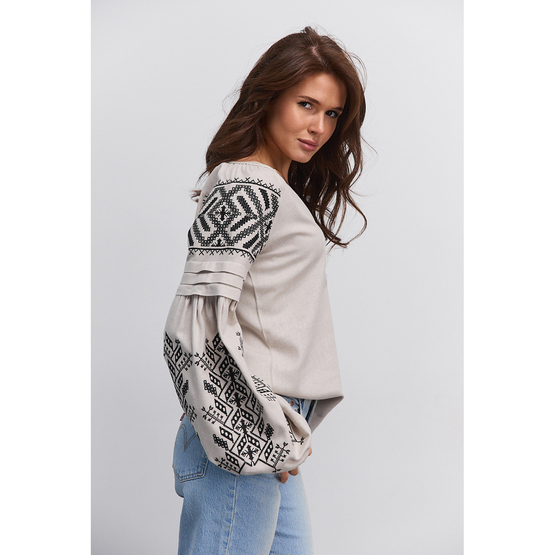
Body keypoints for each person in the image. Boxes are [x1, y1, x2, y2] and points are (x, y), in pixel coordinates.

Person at [163, 26, 367, 555]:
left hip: (269, 431)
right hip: (244, 432)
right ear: (268, 96)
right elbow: (191, 325)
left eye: (332, 113)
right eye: (306, 104)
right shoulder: (248, 186)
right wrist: (249, 426)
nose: (319, 126)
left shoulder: (270, 187)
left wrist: (278, 427)